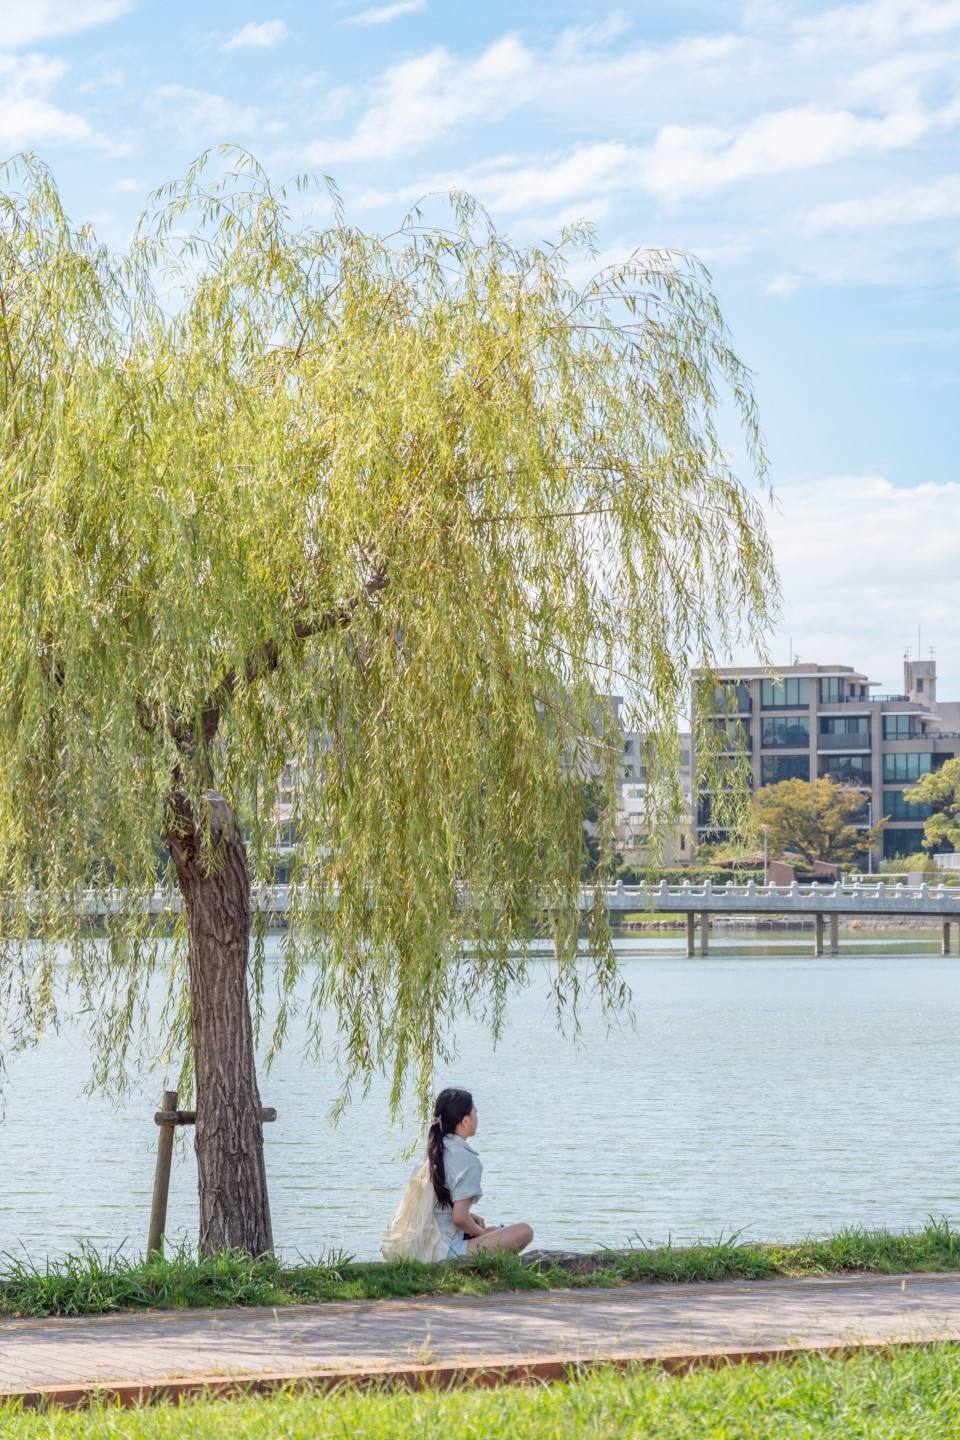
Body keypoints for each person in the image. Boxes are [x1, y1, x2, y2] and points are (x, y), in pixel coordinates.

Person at [426, 1086, 534, 1258]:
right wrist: (482, 1234)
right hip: (447, 1251)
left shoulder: (434, 1152)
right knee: (524, 1231)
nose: (477, 1117)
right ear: (465, 1121)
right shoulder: (467, 1160)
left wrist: (472, 1218)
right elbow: (459, 1218)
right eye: (475, 1112)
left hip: (425, 1245)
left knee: (490, 1230)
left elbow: (439, 1206)